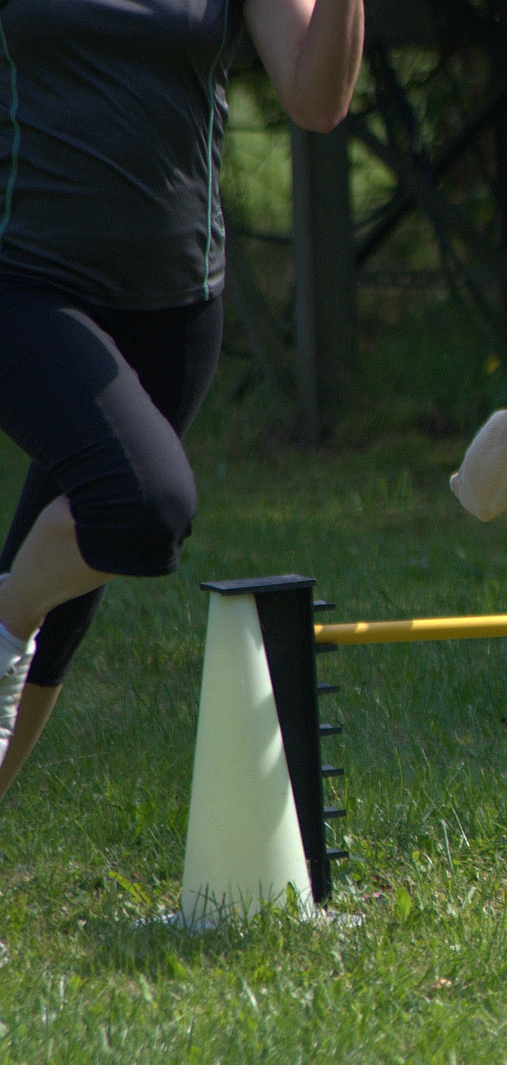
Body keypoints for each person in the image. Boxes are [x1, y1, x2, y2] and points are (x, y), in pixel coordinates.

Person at [0, 0, 363, 798]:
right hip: (24, 280)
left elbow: (316, 97)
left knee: (62, 608)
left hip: (175, 304)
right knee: (137, 506)